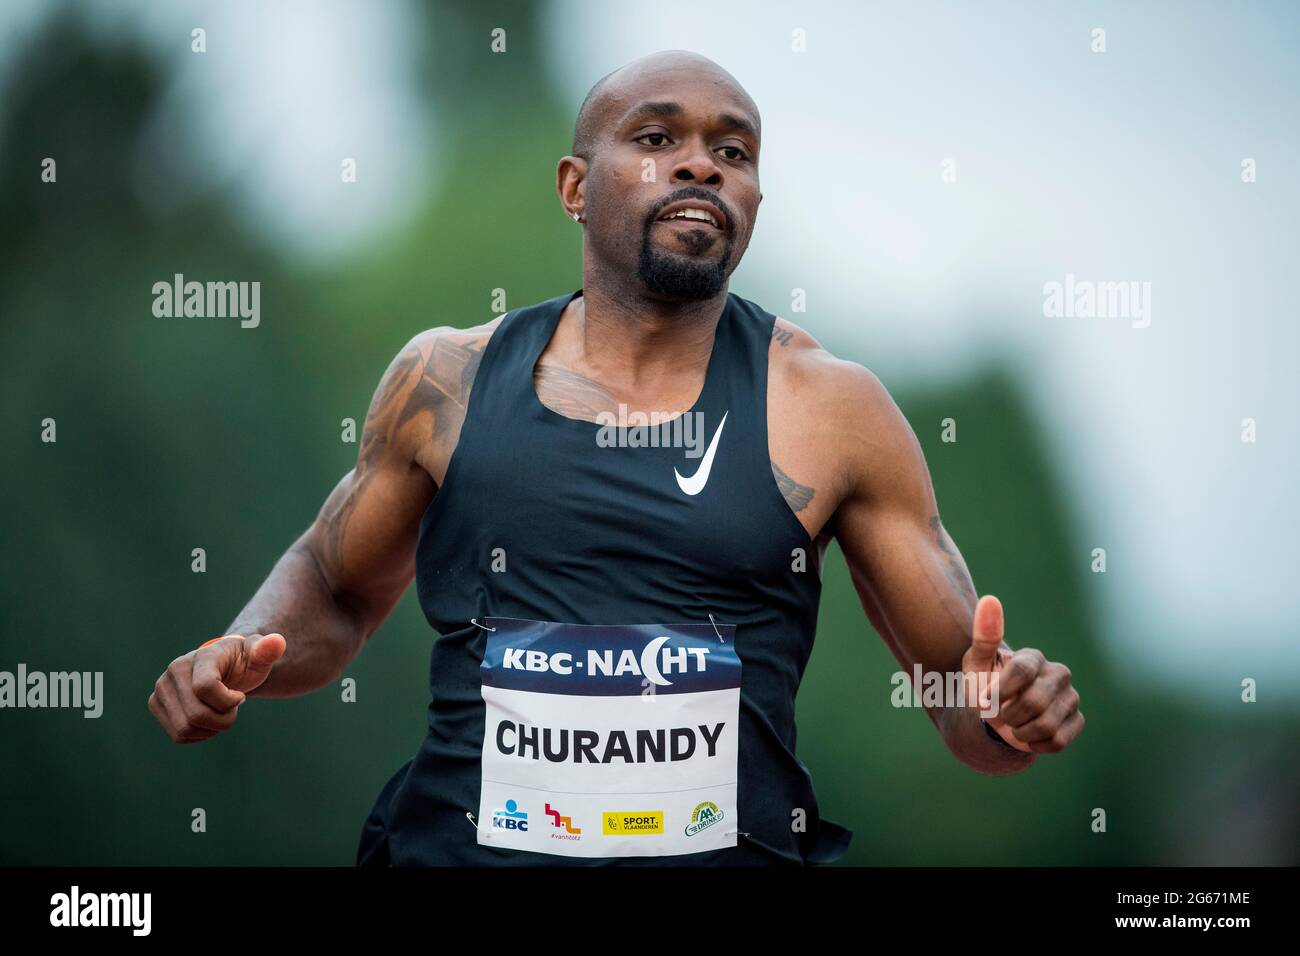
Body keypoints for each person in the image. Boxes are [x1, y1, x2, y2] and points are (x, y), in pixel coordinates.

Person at [147, 50, 1083, 867]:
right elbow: (333, 583)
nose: (700, 166)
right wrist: (244, 650)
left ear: (754, 195)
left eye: (733, 151)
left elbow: (966, 707)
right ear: (574, 186)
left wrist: (1010, 715)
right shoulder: (446, 382)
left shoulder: (832, 410)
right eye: (654, 138)